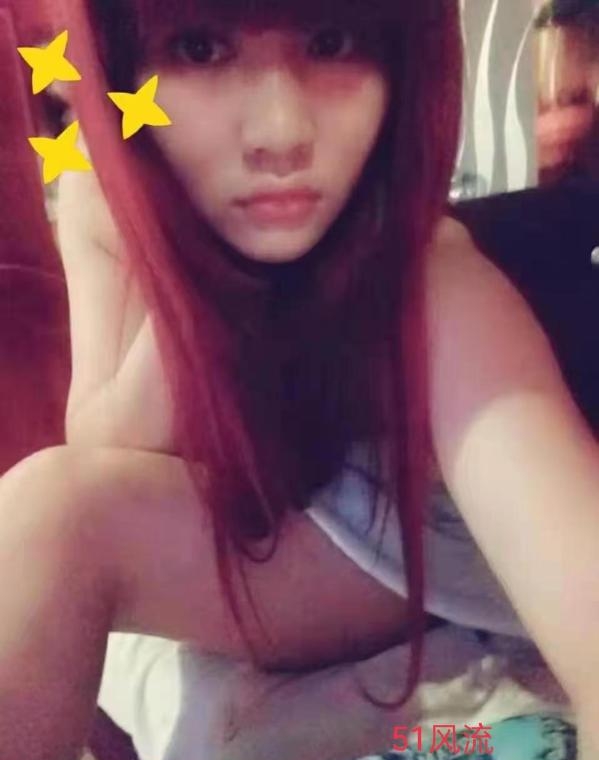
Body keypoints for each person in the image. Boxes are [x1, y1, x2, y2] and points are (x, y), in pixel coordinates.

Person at [2, 0, 599, 758]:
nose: (282, 132)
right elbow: (100, 442)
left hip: (393, 539)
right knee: (43, 513)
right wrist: (193, 280)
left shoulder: (426, 275)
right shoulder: (97, 194)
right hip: (264, 512)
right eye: (200, 49)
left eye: (330, 42)